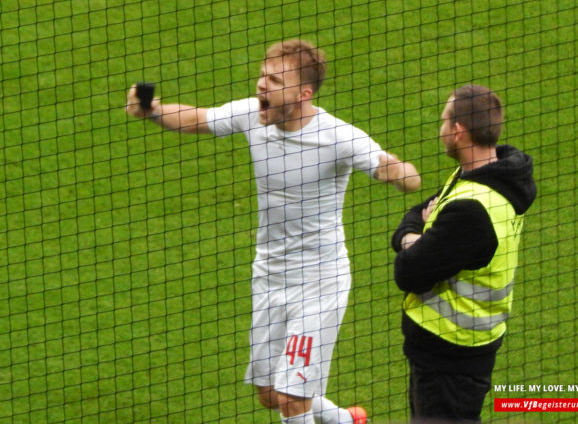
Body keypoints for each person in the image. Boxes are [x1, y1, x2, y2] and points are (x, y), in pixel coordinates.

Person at [126, 39, 421, 424]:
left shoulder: (338, 137)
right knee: (269, 394)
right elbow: (198, 119)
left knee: (291, 399)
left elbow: (406, 177)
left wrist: (398, 174)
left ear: (303, 93)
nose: (262, 85)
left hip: (319, 284)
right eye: (263, 75)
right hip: (269, 276)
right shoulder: (252, 115)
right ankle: (346, 420)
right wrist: (151, 110)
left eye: (275, 79)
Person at [391, 85, 537, 424]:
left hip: (450, 353)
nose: (440, 129)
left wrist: (413, 237)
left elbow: (409, 273)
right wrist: (421, 232)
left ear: (458, 132)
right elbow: (420, 210)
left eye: (444, 122)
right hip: (461, 348)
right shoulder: (486, 176)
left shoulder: (471, 208)